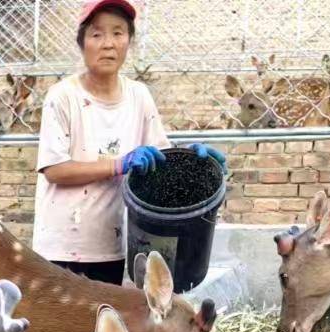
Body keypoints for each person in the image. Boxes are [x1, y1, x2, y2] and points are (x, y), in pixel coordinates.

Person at [34, 0, 227, 283]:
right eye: (97, 34)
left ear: (129, 41)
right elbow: (54, 170)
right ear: (82, 43)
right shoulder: (63, 97)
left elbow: (161, 164)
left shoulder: (138, 96)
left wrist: (194, 160)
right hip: (61, 245)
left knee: (104, 324)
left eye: (118, 33)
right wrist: (119, 164)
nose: (108, 44)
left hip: (110, 246)